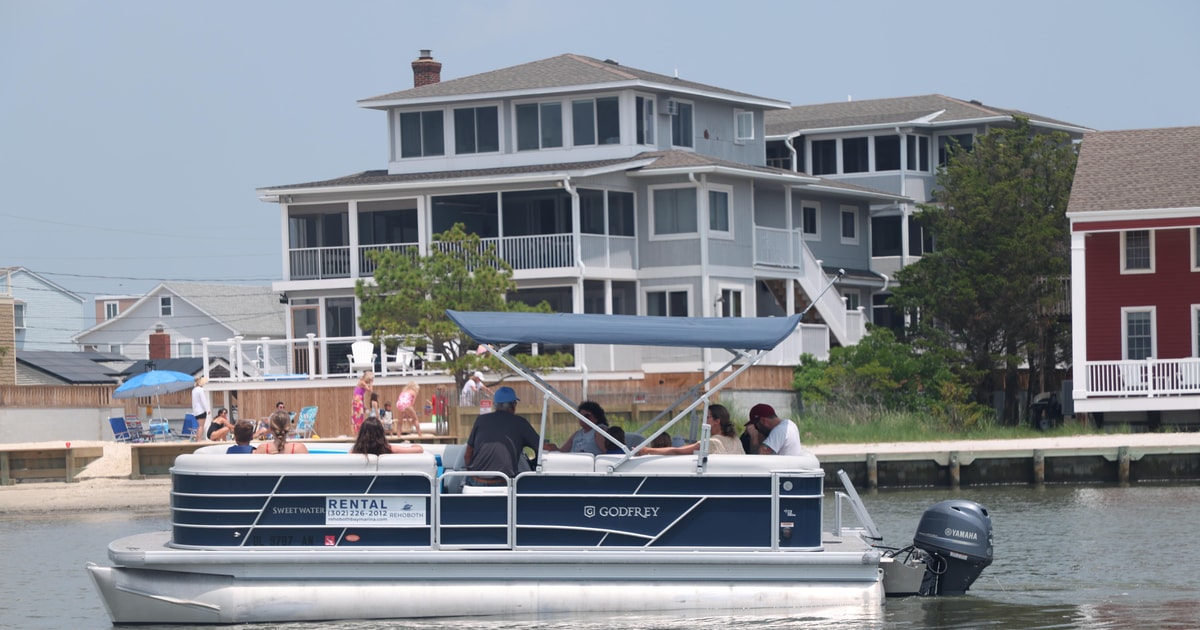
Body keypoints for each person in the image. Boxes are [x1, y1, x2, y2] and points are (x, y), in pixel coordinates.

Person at [464, 386, 542, 485]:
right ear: (514, 405)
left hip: (477, 481)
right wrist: (557, 448)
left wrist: (472, 475)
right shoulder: (520, 423)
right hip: (503, 482)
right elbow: (542, 447)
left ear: (495, 405)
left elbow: (467, 454)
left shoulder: (481, 420)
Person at [638, 404, 745, 455]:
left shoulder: (713, 442)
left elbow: (677, 451)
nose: (703, 421)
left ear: (717, 421)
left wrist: (648, 450)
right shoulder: (735, 439)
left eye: (706, 417)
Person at [350, 416, 424, 456]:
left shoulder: (354, 452)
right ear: (381, 434)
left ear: (361, 435)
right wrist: (414, 445)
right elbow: (419, 449)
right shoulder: (389, 449)